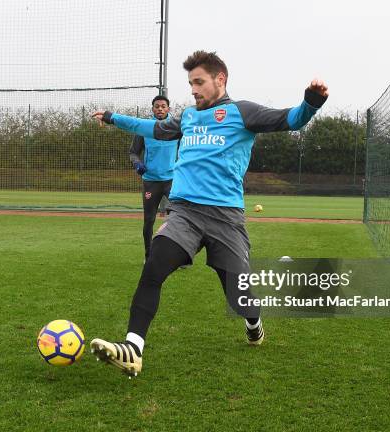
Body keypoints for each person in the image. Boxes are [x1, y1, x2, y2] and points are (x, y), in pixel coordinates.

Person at [90, 50, 329, 377]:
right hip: (184, 213)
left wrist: (311, 102)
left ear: (220, 80)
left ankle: (253, 322)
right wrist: (113, 117)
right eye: (190, 83)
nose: (193, 89)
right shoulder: (188, 116)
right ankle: (133, 347)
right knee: (154, 265)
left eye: (199, 82)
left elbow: (290, 119)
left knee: (239, 297)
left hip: (225, 220)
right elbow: (153, 128)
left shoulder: (242, 112)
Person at [129, 95, 178, 261]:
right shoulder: (145, 128)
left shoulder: (177, 128)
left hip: (172, 181)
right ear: (152, 109)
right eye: (157, 106)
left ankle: (178, 256)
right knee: (149, 220)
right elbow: (133, 152)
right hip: (151, 181)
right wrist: (137, 164)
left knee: (179, 218)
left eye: (163, 106)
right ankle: (149, 255)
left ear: (168, 109)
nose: (160, 109)